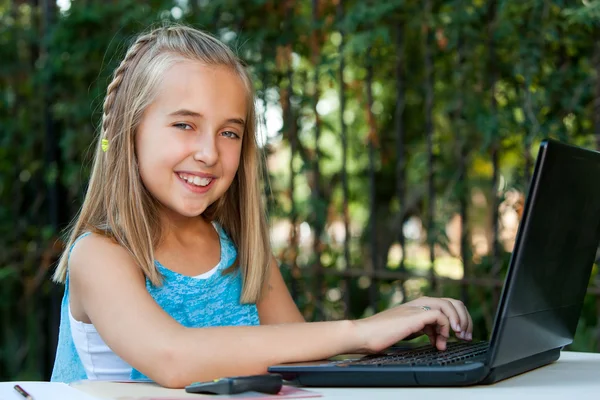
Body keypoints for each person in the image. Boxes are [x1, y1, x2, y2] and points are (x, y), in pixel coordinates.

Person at [50, 23, 473, 388]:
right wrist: (360, 331)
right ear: (129, 132)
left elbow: (303, 358)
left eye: (229, 133)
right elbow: (172, 357)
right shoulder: (100, 254)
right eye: (184, 125)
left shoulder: (242, 253)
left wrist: (393, 328)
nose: (208, 152)